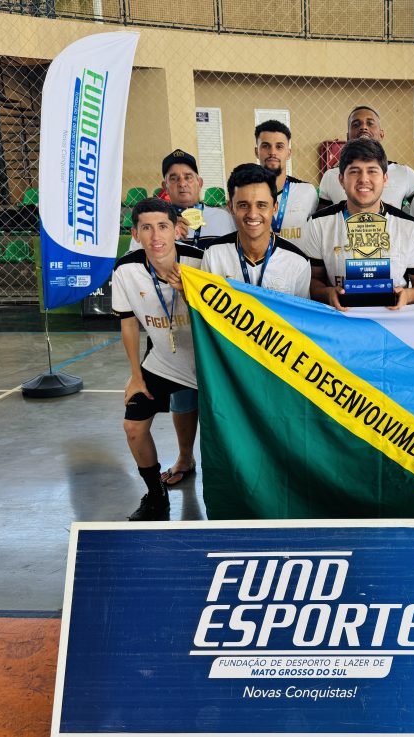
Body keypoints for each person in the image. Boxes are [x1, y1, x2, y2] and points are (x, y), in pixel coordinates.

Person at [130, 149, 234, 487]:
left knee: (223, 395)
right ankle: (185, 456)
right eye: (174, 178)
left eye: (188, 177)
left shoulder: (222, 218)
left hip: (214, 322)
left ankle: (230, 463)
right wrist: (167, 236)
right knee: (182, 395)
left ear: (200, 182)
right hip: (172, 323)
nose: (182, 183)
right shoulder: (155, 223)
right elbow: (135, 269)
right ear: (165, 186)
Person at [112, 198, 203, 521]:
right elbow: (128, 324)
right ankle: (155, 495)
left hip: (207, 363)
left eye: (163, 226)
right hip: (163, 360)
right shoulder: (126, 270)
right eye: (146, 228)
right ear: (135, 234)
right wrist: (136, 375)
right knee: (133, 427)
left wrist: (188, 295)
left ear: (177, 230)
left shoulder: (201, 261)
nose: (155, 236)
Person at [304, 138, 414, 311]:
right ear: (341, 180)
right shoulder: (318, 224)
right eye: (354, 171)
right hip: (341, 318)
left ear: (385, 179)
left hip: (391, 319)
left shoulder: (409, 227)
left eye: (372, 171)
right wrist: (327, 293)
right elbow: (313, 280)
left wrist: (408, 295)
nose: (363, 179)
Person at [201, 164, 311, 298]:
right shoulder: (213, 254)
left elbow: (300, 311)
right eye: (243, 205)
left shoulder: (298, 262)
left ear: (274, 208)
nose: (252, 214)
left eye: (261, 205)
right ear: (231, 207)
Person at [317, 106, 414, 209]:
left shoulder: (404, 173)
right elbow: (323, 217)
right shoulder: (330, 176)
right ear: (348, 136)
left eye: (370, 123)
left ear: (381, 135)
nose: (363, 127)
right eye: (356, 124)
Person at [254, 119, 318, 249]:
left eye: (279, 146)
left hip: (298, 261)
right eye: (266, 146)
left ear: (289, 153)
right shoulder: (247, 194)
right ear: (256, 151)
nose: (272, 152)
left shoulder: (307, 191)